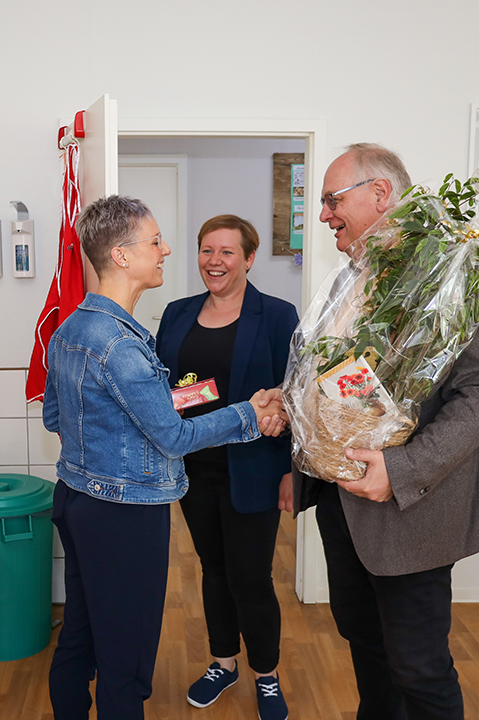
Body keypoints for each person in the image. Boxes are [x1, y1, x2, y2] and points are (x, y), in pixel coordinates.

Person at [43, 195, 288, 720]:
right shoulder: (122, 344)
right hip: (123, 514)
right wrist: (247, 412)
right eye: (156, 241)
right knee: (126, 655)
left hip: (77, 499)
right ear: (123, 256)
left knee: (81, 634)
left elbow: (56, 418)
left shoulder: (69, 330)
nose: (167, 250)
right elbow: (172, 438)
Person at [293, 143, 479, 719]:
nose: (323, 216)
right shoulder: (347, 281)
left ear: (381, 194)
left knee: (418, 666)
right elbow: (334, 380)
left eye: (331, 201)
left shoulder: (457, 271)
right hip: (341, 505)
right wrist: (291, 407)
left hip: (411, 510)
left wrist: (402, 470)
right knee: (365, 647)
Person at [156, 215, 297, 718]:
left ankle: (266, 674)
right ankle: (223, 662)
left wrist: (290, 471)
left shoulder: (278, 316)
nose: (214, 261)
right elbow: (163, 386)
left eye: (227, 252)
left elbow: (295, 395)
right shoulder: (176, 313)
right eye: (207, 251)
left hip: (254, 468)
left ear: (249, 258)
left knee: (251, 578)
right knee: (212, 571)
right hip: (193, 467)